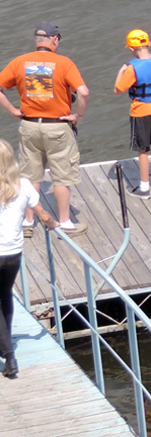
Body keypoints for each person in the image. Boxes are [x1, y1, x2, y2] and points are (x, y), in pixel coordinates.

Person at [0, 22, 89, 236]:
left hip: (29, 126)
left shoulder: (19, 62)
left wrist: (13, 110)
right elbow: (83, 92)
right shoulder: (64, 63)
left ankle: (28, 223)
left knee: (31, 176)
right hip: (57, 127)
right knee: (62, 176)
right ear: (55, 39)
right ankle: (65, 223)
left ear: (36, 41)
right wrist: (78, 116)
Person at [0, 139, 58, 379]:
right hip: (13, 254)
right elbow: (44, 215)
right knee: (5, 296)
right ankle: (7, 342)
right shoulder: (23, 185)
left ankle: (9, 355)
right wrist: (54, 225)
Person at [114, 29, 151, 198]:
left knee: (143, 150)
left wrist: (121, 71)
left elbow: (117, 90)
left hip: (140, 111)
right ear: (149, 44)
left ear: (132, 49)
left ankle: (144, 187)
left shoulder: (132, 68)